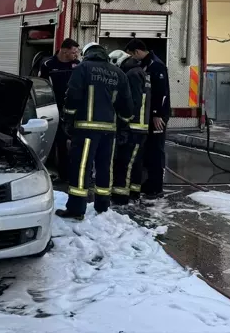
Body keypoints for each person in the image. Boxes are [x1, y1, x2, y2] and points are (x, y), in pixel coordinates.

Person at [56, 42, 133, 220]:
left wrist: (68, 119)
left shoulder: (83, 69)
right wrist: (124, 125)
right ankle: (102, 206)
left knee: (81, 168)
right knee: (105, 168)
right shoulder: (118, 73)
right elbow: (127, 105)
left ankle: (76, 209)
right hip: (109, 131)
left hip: (85, 129)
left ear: (87, 53)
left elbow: (72, 96)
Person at [125, 39, 170, 200]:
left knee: (156, 150)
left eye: (131, 54)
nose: (131, 58)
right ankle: (148, 183)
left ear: (137, 51)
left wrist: (157, 114)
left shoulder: (156, 65)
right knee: (148, 149)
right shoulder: (145, 64)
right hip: (148, 114)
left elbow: (161, 92)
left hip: (157, 115)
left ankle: (156, 186)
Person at [109, 50, 151, 205]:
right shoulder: (141, 72)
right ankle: (134, 191)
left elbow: (132, 102)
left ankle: (121, 196)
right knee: (135, 162)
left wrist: (124, 124)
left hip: (133, 126)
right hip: (141, 126)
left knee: (124, 162)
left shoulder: (132, 75)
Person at [39, 38, 81, 183]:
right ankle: (62, 174)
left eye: (77, 52)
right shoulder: (48, 65)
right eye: (73, 52)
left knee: (74, 142)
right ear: (64, 50)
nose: (76, 55)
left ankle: (73, 173)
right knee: (59, 142)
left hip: (73, 109)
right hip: (54, 109)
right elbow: (41, 86)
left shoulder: (77, 65)